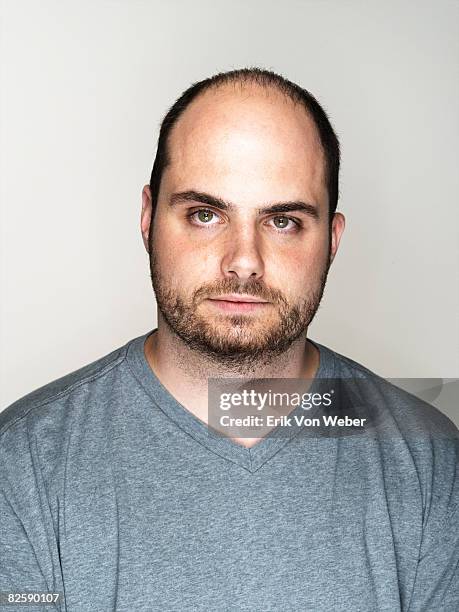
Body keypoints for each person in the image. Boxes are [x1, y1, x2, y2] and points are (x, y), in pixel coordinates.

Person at [1, 67, 457, 612]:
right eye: (205, 214)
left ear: (332, 240)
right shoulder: (24, 461)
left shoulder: (430, 457)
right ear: (147, 219)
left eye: (283, 221)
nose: (244, 261)